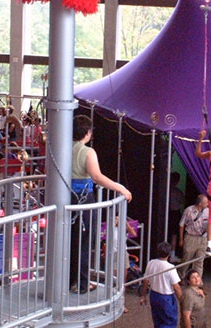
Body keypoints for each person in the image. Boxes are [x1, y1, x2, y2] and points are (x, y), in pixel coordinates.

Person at [70, 114, 132, 294]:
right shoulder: (88, 152)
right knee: (85, 242)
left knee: (70, 240)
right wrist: (121, 188)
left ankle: (70, 280)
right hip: (84, 199)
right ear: (88, 133)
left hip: (66, 197)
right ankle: (82, 283)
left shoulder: (63, 147)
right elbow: (97, 177)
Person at [140, 242, 182, 328]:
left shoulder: (151, 263)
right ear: (169, 253)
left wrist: (143, 296)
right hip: (166, 298)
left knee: (157, 320)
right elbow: (176, 287)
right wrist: (182, 300)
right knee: (169, 322)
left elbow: (145, 281)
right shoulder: (170, 267)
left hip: (154, 295)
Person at [178, 194, 209, 277]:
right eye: (206, 202)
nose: (207, 204)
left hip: (203, 238)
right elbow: (181, 224)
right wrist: (181, 239)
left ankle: (197, 280)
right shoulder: (189, 210)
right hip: (191, 237)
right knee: (186, 258)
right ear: (200, 203)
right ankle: (181, 276)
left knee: (200, 260)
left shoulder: (207, 211)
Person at [168, 172, 185, 263]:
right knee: (174, 235)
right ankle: (173, 254)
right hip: (175, 214)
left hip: (167, 213)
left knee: (167, 233)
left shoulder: (165, 190)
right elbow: (182, 202)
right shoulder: (177, 192)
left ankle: (169, 254)